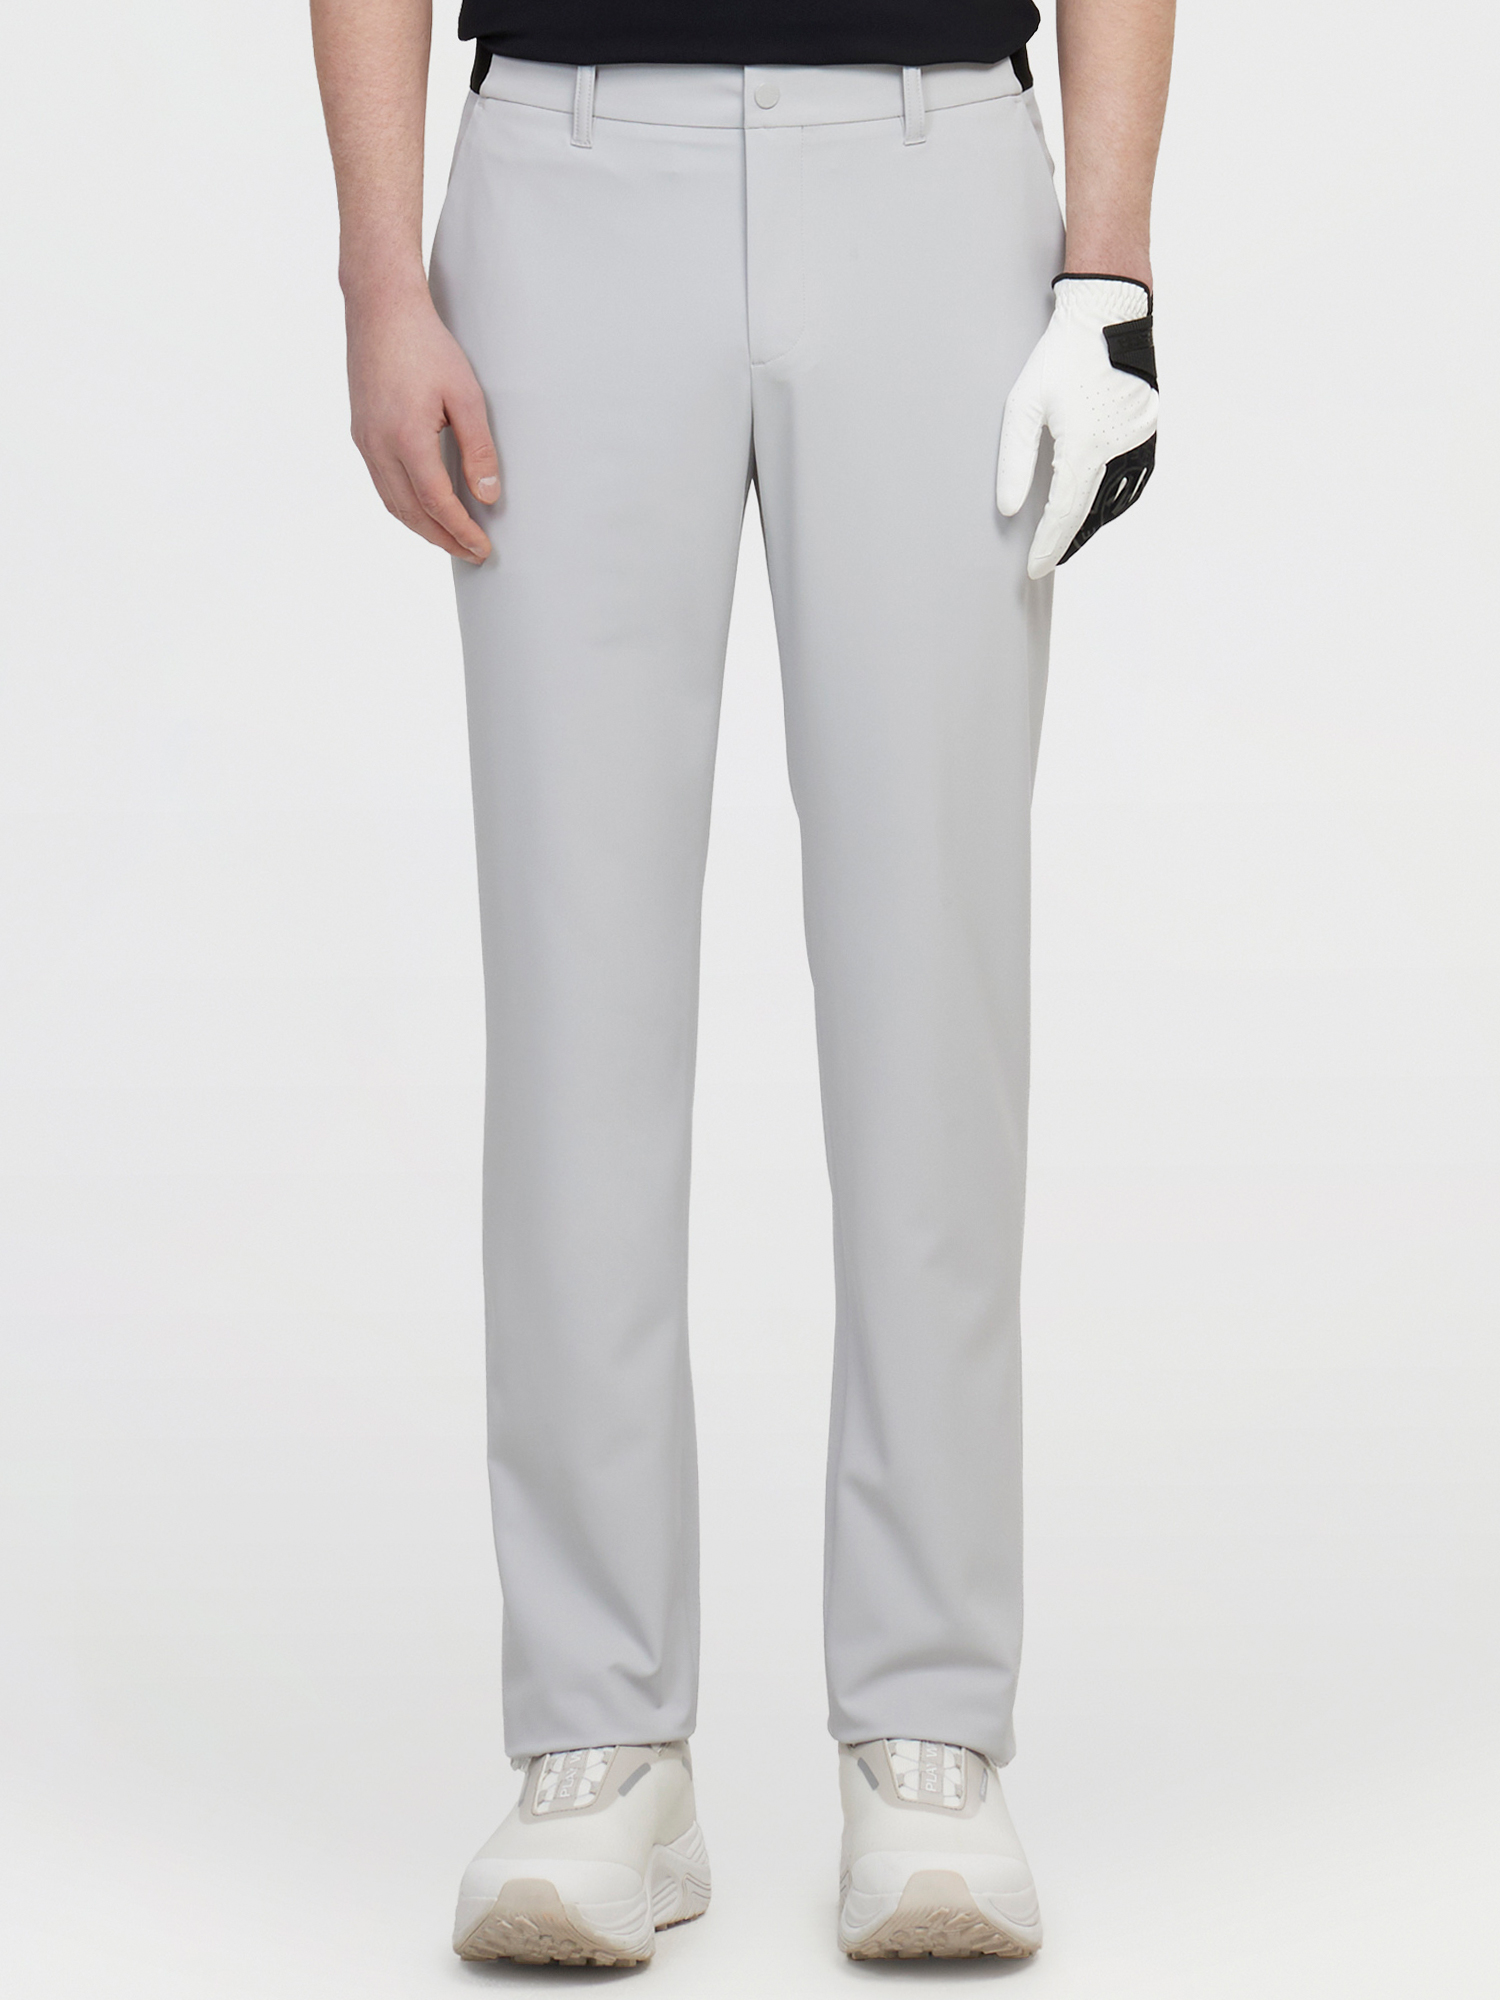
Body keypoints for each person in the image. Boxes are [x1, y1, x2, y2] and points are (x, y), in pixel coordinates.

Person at [312, 0, 1172, 1965]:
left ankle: (930, 1728)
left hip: (934, 177)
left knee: (934, 994)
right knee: (574, 997)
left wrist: (1109, 273)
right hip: (564, 177)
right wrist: (379, 273)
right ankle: (599, 1736)